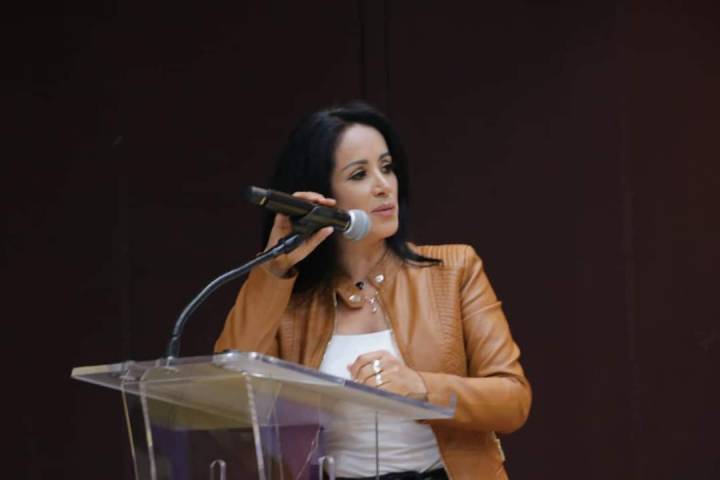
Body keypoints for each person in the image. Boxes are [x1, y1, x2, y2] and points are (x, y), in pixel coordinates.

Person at [215, 101, 531, 479]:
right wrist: (273, 269)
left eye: (387, 167)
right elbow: (227, 393)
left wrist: (420, 387)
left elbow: (513, 400)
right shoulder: (288, 297)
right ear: (322, 195)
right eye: (359, 174)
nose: (384, 186)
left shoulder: (454, 269)